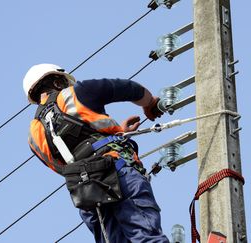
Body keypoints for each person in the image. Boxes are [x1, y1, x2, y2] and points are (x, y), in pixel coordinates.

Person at [23, 63, 170, 243]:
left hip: (87, 195)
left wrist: (113, 136)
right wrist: (150, 103)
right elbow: (128, 88)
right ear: (56, 81)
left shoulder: (33, 136)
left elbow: (65, 166)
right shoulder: (76, 93)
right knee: (146, 237)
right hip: (118, 173)